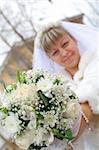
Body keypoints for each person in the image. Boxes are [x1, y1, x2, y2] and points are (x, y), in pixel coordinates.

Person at [33, 21, 99, 150]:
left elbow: (89, 96)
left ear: (74, 39)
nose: (64, 53)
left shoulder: (96, 61)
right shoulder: (56, 85)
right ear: (49, 58)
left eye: (65, 44)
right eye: (55, 52)